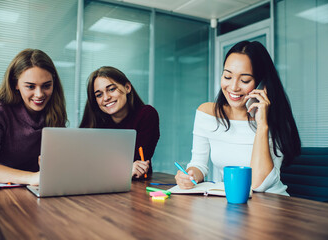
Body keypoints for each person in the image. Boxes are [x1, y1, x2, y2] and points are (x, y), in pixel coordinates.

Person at [175, 41, 301, 195]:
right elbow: (198, 164)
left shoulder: (275, 120)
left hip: (272, 205)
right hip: (232, 202)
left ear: (262, 84)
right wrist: (190, 175)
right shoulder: (207, 113)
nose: (233, 87)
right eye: (227, 76)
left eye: (245, 80)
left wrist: (262, 125)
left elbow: (258, 184)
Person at [0, 49, 67, 185]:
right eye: (30, 86)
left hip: (36, 192)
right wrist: (32, 178)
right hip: (3, 192)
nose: (39, 94)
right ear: (15, 84)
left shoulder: (54, 111)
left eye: (46, 86)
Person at [80, 66, 160, 179]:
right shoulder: (94, 121)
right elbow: (85, 164)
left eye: (111, 89)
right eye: (99, 95)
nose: (106, 97)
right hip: (99, 184)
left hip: (137, 186)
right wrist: (126, 168)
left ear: (127, 87)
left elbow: (139, 163)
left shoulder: (146, 114)